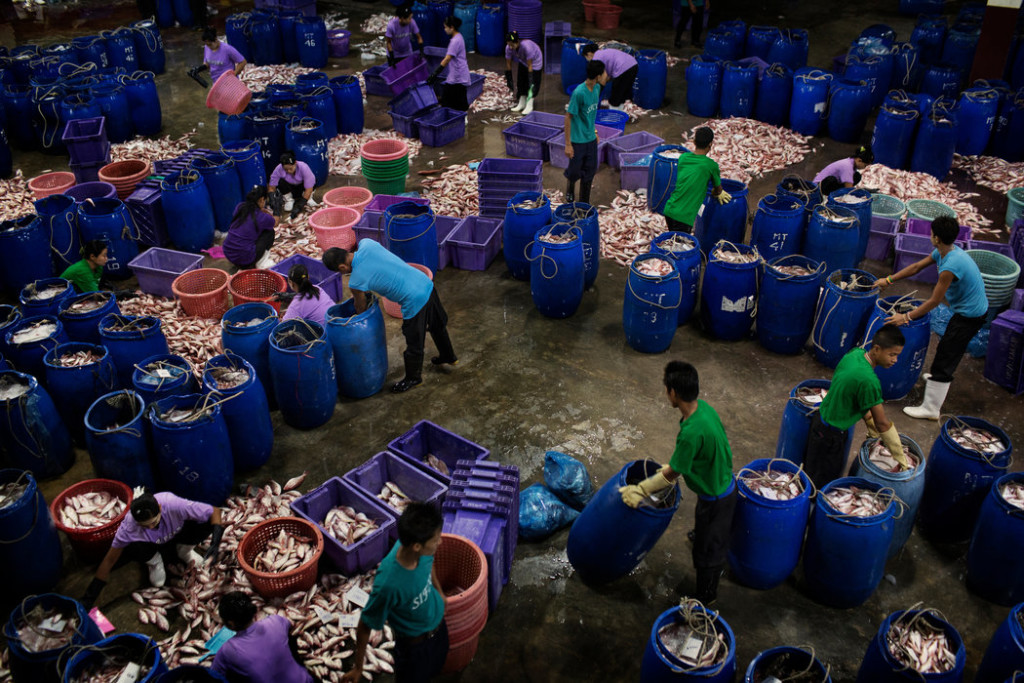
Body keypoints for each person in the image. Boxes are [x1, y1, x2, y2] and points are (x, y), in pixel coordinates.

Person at [619, 361, 736, 605]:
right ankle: (706, 537)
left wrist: (642, 489)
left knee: (707, 555)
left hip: (716, 499)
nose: (665, 394)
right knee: (706, 532)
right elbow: (698, 454)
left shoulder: (691, 432)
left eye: (666, 389)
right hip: (722, 482)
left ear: (674, 393)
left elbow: (672, 475)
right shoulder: (703, 409)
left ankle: (707, 595)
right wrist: (675, 465)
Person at [874, 215, 988, 420]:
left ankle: (931, 408)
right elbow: (916, 267)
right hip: (965, 310)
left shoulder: (950, 266)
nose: (930, 235)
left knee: (947, 355)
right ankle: (937, 381)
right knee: (947, 347)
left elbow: (934, 301)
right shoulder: (945, 251)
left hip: (970, 315)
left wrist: (905, 317)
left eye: (931, 233)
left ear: (937, 238)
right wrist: (889, 279)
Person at [323, 242, 457, 393]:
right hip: (425, 283)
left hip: (413, 299)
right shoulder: (367, 243)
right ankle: (449, 356)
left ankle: (414, 378)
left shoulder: (356, 281)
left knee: (414, 340)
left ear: (342, 268)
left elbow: (360, 307)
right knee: (437, 325)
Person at [343, 503, 448, 683]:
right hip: (415, 648)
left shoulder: (422, 550)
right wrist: (358, 667)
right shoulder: (388, 585)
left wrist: (440, 593)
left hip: (439, 631)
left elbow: (430, 564)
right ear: (416, 546)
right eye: (436, 539)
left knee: (436, 669)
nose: (441, 542)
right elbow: (365, 624)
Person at [803, 324, 907, 488]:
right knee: (823, 481)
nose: (895, 360)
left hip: (820, 421)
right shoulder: (869, 381)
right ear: (877, 349)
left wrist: (866, 416)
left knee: (812, 470)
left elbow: (850, 389)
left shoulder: (855, 353)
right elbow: (881, 423)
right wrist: (899, 455)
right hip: (832, 436)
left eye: (897, 355)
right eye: (892, 354)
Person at [81, 490, 225, 608]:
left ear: (160, 509)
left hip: (178, 533)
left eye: (153, 522)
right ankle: (155, 561)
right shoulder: (129, 527)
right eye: (144, 525)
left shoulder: (172, 504)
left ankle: (184, 550)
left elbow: (215, 511)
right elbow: (110, 559)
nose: (150, 527)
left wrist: (215, 542)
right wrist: (90, 595)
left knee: (207, 522)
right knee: (130, 547)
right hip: (151, 546)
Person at [211, 591, 314, 683]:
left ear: (231, 623)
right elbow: (289, 625)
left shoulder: (228, 650)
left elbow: (212, 676)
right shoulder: (275, 621)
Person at [663, 126, 729, 233]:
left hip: (670, 209)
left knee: (673, 241)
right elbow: (718, 190)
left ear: (693, 141)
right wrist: (716, 191)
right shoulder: (711, 165)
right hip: (683, 216)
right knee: (679, 247)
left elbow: (692, 175)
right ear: (710, 144)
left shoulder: (683, 158)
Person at [563, 59, 609, 205]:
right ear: (597, 76)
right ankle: (570, 187)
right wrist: (568, 144)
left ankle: (584, 203)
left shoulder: (596, 89)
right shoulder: (579, 93)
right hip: (577, 140)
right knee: (575, 171)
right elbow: (568, 118)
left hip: (590, 139)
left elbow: (591, 115)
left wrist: (594, 131)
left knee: (590, 172)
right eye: (604, 73)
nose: (606, 75)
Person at [223, 186, 276, 271]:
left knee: (250, 231)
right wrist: (275, 211)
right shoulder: (262, 217)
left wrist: (261, 210)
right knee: (270, 232)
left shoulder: (240, 207)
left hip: (229, 254)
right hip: (245, 258)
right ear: (262, 199)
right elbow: (275, 222)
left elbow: (248, 219)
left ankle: (241, 263)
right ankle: (261, 263)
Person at [429, 16, 470, 112]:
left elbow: (447, 59)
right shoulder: (459, 37)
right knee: (458, 99)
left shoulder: (455, 41)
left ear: (451, 27)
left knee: (448, 100)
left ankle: (454, 119)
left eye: (445, 27)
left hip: (458, 76)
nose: (444, 30)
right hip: (458, 74)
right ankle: (461, 117)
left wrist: (434, 74)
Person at [581, 43, 638, 111]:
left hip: (623, 68)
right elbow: (607, 74)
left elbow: (603, 77)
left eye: (586, 57)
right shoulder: (602, 52)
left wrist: (597, 92)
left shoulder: (596, 59)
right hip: (633, 64)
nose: (587, 60)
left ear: (589, 53)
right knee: (622, 93)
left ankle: (612, 116)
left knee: (615, 95)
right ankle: (620, 114)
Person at [268, 152, 319, 220]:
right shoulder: (279, 169)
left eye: (291, 168)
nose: (289, 171)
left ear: (295, 163)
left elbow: (309, 189)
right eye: (286, 169)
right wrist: (271, 198)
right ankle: (289, 200)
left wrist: (299, 206)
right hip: (290, 189)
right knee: (280, 181)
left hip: (302, 188)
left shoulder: (303, 167)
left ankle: (309, 199)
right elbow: (272, 186)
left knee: (313, 180)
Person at [504, 31, 543, 115]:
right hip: (523, 61)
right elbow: (508, 63)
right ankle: (521, 103)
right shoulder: (508, 48)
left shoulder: (527, 47)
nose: (510, 47)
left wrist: (531, 79)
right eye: (509, 44)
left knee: (532, 85)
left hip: (535, 63)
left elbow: (530, 66)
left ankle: (529, 105)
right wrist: (509, 77)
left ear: (517, 41)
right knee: (521, 81)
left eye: (512, 45)